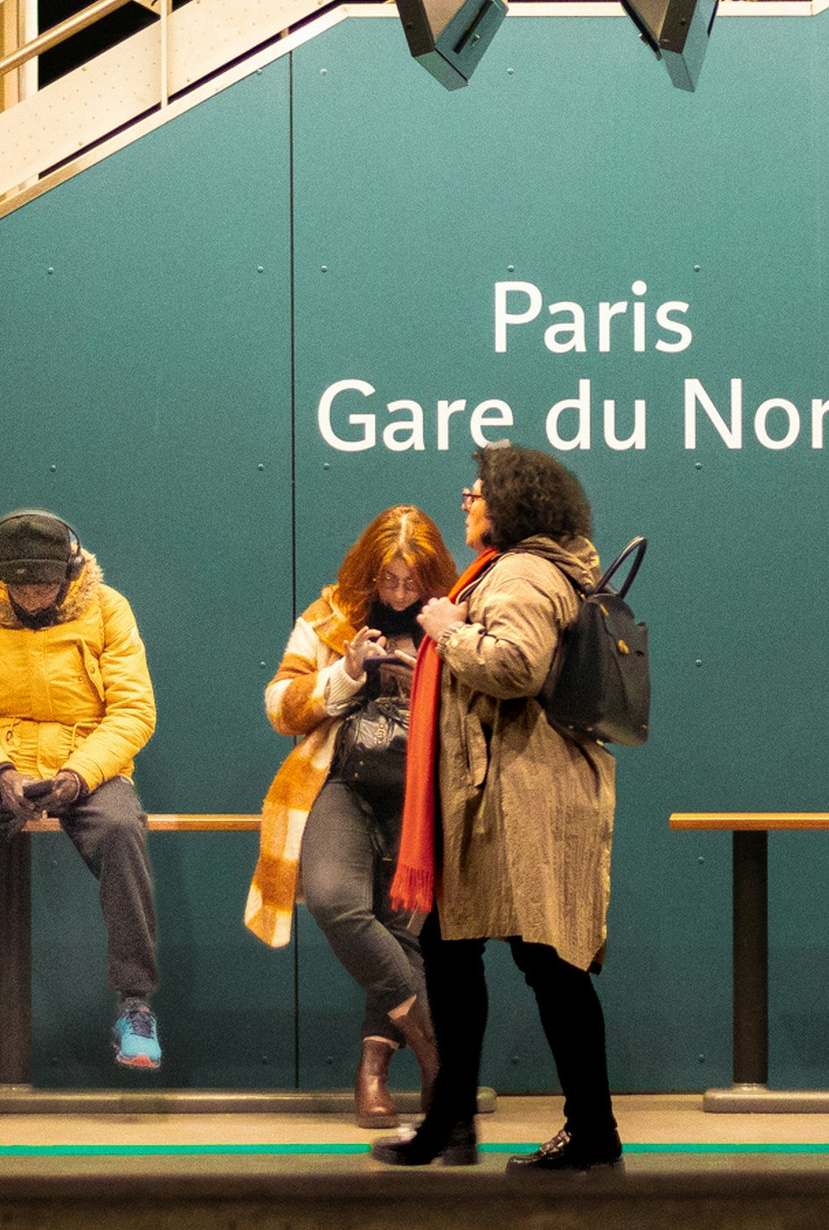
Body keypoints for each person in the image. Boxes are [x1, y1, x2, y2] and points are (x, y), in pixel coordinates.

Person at [373, 445, 620, 1173]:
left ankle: (590, 1132)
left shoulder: (520, 572)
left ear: (509, 504)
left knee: (549, 963)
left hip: (521, 798)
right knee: (456, 955)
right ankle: (449, 1124)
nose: (465, 497)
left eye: (477, 489)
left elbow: (515, 666)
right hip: (501, 796)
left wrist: (446, 627)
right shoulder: (530, 567)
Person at [0, 508, 163, 1077]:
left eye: (45, 584)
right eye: (21, 585)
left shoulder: (108, 608)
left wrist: (78, 775)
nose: (33, 596)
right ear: (1, 577)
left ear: (70, 571)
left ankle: (136, 1005)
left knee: (124, 832)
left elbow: (133, 709)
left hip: (89, 762)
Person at [246, 507, 460, 1126]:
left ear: (431, 575)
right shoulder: (330, 617)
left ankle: (372, 1074)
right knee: (338, 902)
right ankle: (434, 1049)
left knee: (403, 930)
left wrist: (430, 679)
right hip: (340, 780)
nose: (397, 592)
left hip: (425, 788)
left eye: (409, 580)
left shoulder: (452, 619)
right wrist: (347, 670)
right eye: (387, 579)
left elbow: (486, 709)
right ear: (367, 570)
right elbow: (280, 707)